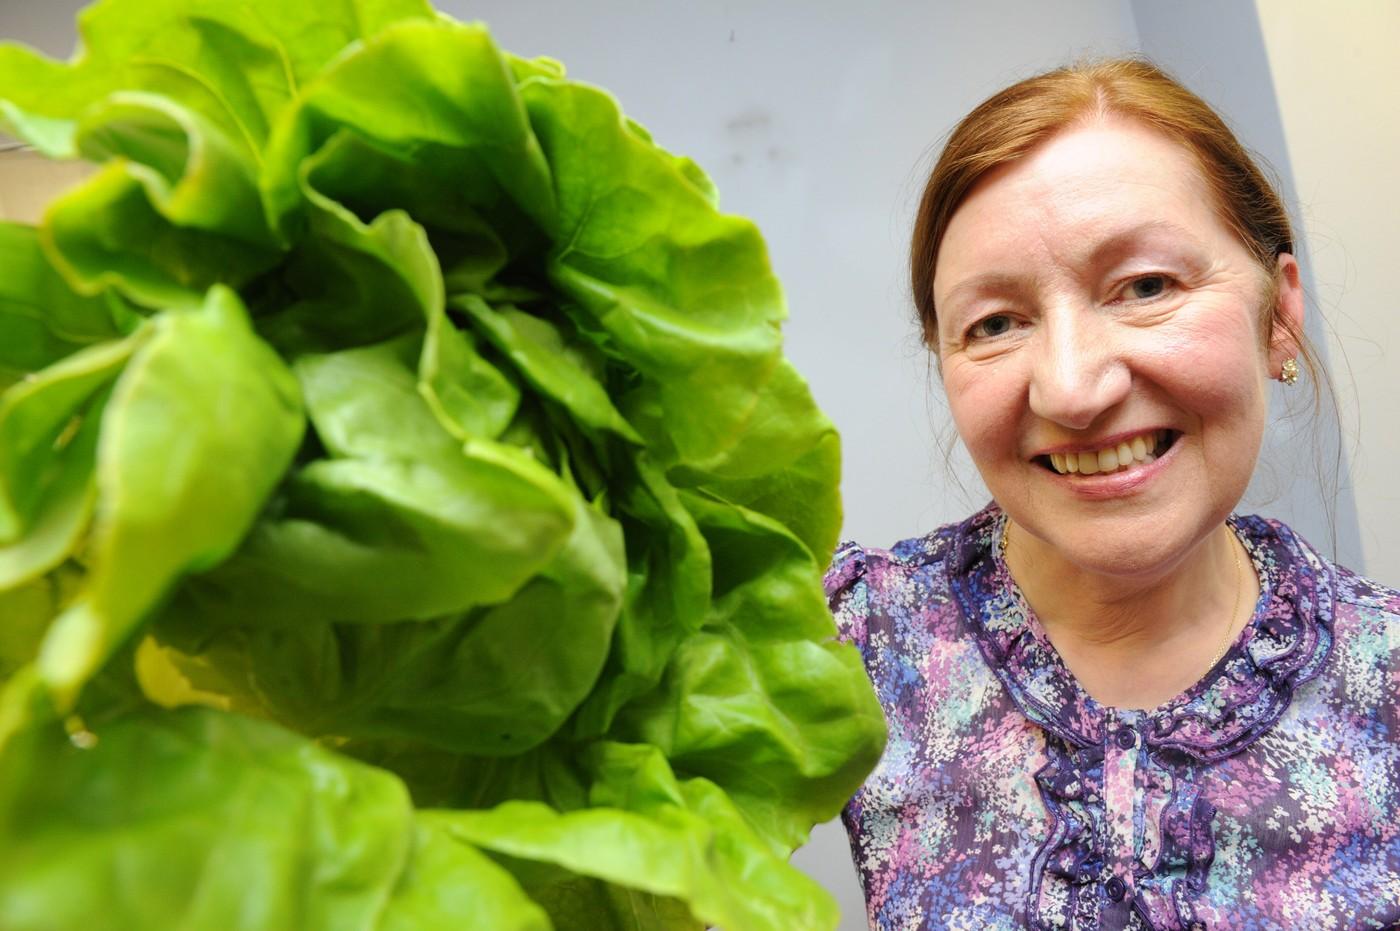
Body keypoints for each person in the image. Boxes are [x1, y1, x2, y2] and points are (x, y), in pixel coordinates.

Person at [825, 58, 1400, 931]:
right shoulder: (847, 643)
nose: (1071, 387)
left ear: (1279, 315)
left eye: (1146, 286)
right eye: (995, 324)